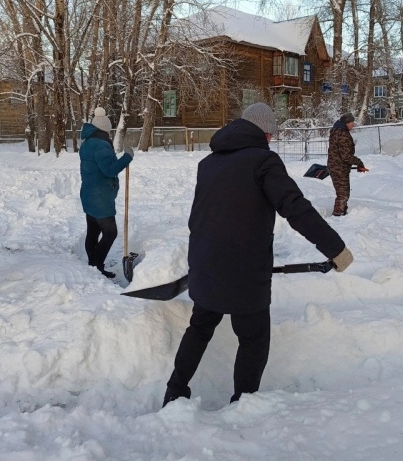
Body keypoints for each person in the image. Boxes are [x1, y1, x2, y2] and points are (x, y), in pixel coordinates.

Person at [163, 103, 353, 406]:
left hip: (204, 262)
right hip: (244, 271)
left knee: (199, 328)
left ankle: (173, 393)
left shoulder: (209, 162)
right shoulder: (264, 161)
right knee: (253, 338)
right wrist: (335, 248)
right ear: (265, 132)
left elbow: (199, 216)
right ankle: (243, 404)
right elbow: (295, 208)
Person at [79, 107, 133, 278]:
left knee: (93, 231)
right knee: (110, 233)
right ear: (105, 129)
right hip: (100, 198)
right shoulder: (101, 144)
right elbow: (109, 170)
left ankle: (92, 265)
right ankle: (98, 266)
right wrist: (127, 157)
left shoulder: (88, 142)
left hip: (89, 195)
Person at [327, 112, 369, 216]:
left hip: (335, 166)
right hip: (339, 168)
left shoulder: (336, 131)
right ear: (346, 123)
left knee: (342, 193)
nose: (353, 125)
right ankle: (338, 215)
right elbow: (346, 156)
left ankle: (341, 213)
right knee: (343, 194)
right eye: (352, 122)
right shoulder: (343, 135)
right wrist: (359, 163)